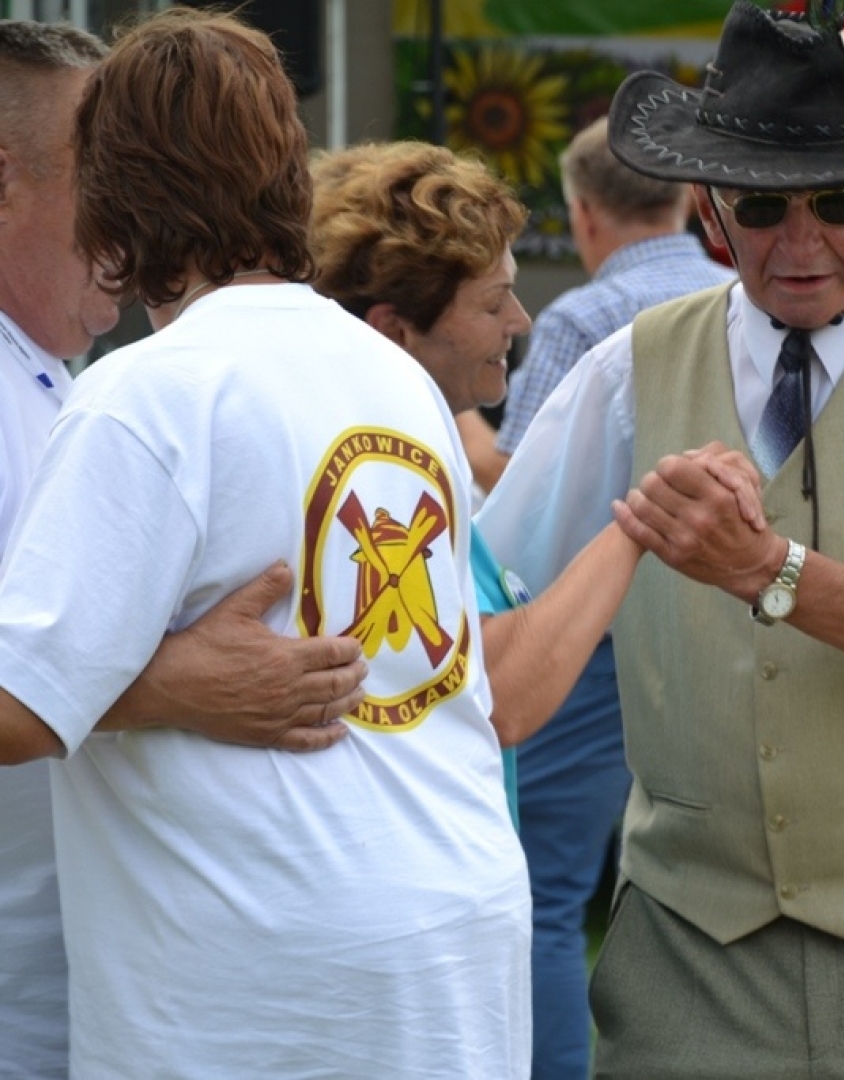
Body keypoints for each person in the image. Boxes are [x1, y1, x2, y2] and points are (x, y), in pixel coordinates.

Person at [478, 1, 844, 1075]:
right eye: (759, 208)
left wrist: (765, 569)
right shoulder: (628, 367)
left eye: (835, 202)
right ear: (707, 207)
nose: (798, 244)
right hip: (687, 952)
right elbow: (487, 588)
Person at [0, 11, 530, 1074]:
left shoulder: (143, 398)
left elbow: (17, 709)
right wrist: (165, 680)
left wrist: (127, 683)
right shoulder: (397, 382)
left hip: (260, 983)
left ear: (113, 197)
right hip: (455, 945)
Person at [0, 20, 366, 1077]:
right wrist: (157, 689)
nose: (123, 216)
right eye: (102, 172)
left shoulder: (76, 382)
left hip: (112, 992)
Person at [467, 115, 730, 1080]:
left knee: (546, 891)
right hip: (728, 635)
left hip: (597, 640)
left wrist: (451, 412)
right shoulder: (739, 298)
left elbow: (527, 494)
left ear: (582, 214)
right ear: (692, 199)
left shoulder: (582, 315)